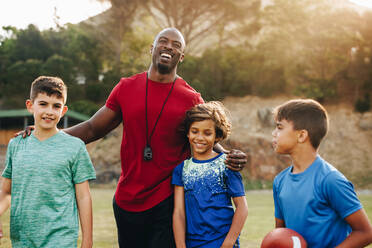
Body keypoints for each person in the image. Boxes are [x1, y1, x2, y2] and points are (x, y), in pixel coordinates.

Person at [21, 27, 247, 247]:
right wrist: (48, 137)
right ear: (152, 48)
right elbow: (92, 129)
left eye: (176, 45)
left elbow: (206, 136)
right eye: (163, 41)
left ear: (182, 56)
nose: (168, 47)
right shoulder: (126, 87)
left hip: (166, 200)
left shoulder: (191, 98)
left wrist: (228, 156)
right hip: (126, 201)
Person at [0, 76, 96, 247]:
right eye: (43, 104)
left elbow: (83, 197)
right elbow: (7, 192)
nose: (50, 111)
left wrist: (87, 241)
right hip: (23, 239)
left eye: (56, 106)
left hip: (61, 238)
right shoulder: (16, 145)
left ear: (63, 110)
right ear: (30, 106)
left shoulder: (75, 147)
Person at [271, 99, 372, 247]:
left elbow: (365, 232)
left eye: (279, 128)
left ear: (301, 135)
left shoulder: (330, 180)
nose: (273, 133)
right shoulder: (279, 181)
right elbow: (281, 234)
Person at [172, 101, 248, 248]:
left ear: (217, 136)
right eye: (195, 131)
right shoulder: (181, 170)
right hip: (193, 243)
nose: (200, 138)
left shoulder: (227, 164)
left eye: (207, 133)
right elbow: (179, 212)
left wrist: (228, 243)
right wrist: (181, 245)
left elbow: (242, 207)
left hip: (222, 242)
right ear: (188, 133)